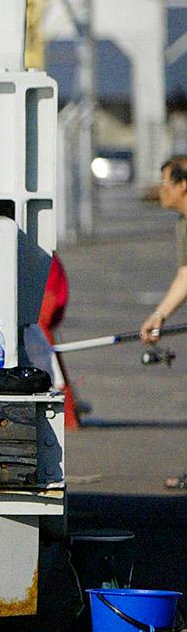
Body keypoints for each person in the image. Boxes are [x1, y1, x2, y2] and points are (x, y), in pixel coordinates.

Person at [140, 154, 187, 487]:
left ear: (184, 185)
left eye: (166, 182)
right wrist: (160, 315)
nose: (161, 190)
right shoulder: (183, 222)